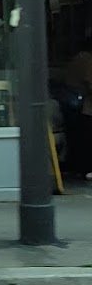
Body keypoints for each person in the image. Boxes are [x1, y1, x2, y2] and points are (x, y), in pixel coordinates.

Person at [62, 40, 92, 180]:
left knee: (78, 138)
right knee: (85, 138)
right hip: (84, 106)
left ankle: (79, 167)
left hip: (75, 104)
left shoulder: (79, 58)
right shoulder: (86, 59)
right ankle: (85, 168)